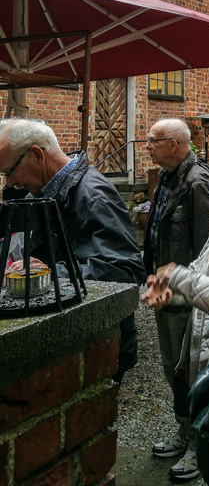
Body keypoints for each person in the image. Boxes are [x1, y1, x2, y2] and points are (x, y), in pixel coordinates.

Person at [0, 117, 145, 381]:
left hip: (98, 346)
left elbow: (125, 270)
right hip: (72, 344)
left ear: (37, 155)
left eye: (9, 171)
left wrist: (48, 274)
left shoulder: (93, 195)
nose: (9, 183)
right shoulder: (42, 193)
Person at [142, 155, 209, 484]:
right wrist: (173, 295)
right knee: (189, 385)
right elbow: (201, 277)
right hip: (199, 333)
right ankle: (189, 435)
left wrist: (180, 280)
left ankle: (201, 448)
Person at [142, 118, 209, 479]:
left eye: (153, 140)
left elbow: (206, 248)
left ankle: (197, 445)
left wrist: (186, 292)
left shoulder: (197, 183)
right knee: (172, 366)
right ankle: (184, 430)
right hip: (166, 290)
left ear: (174, 144)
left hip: (186, 297)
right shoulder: (168, 177)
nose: (147, 146)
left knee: (188, 371)